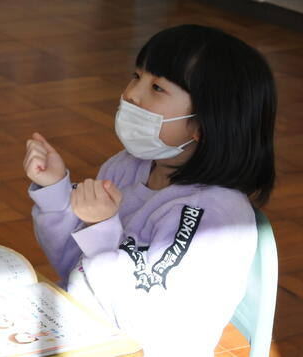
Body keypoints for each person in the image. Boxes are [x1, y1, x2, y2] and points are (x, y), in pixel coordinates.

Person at [23, 25, 276, 357]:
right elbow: (73, 266)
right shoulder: (126, 167)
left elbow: (145, 327)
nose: (131, 94)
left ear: (203, 124)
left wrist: (100, 230)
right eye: (136, 76)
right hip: (82, 329)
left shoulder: (214, 217)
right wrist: (56, 191)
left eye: (156, 87)